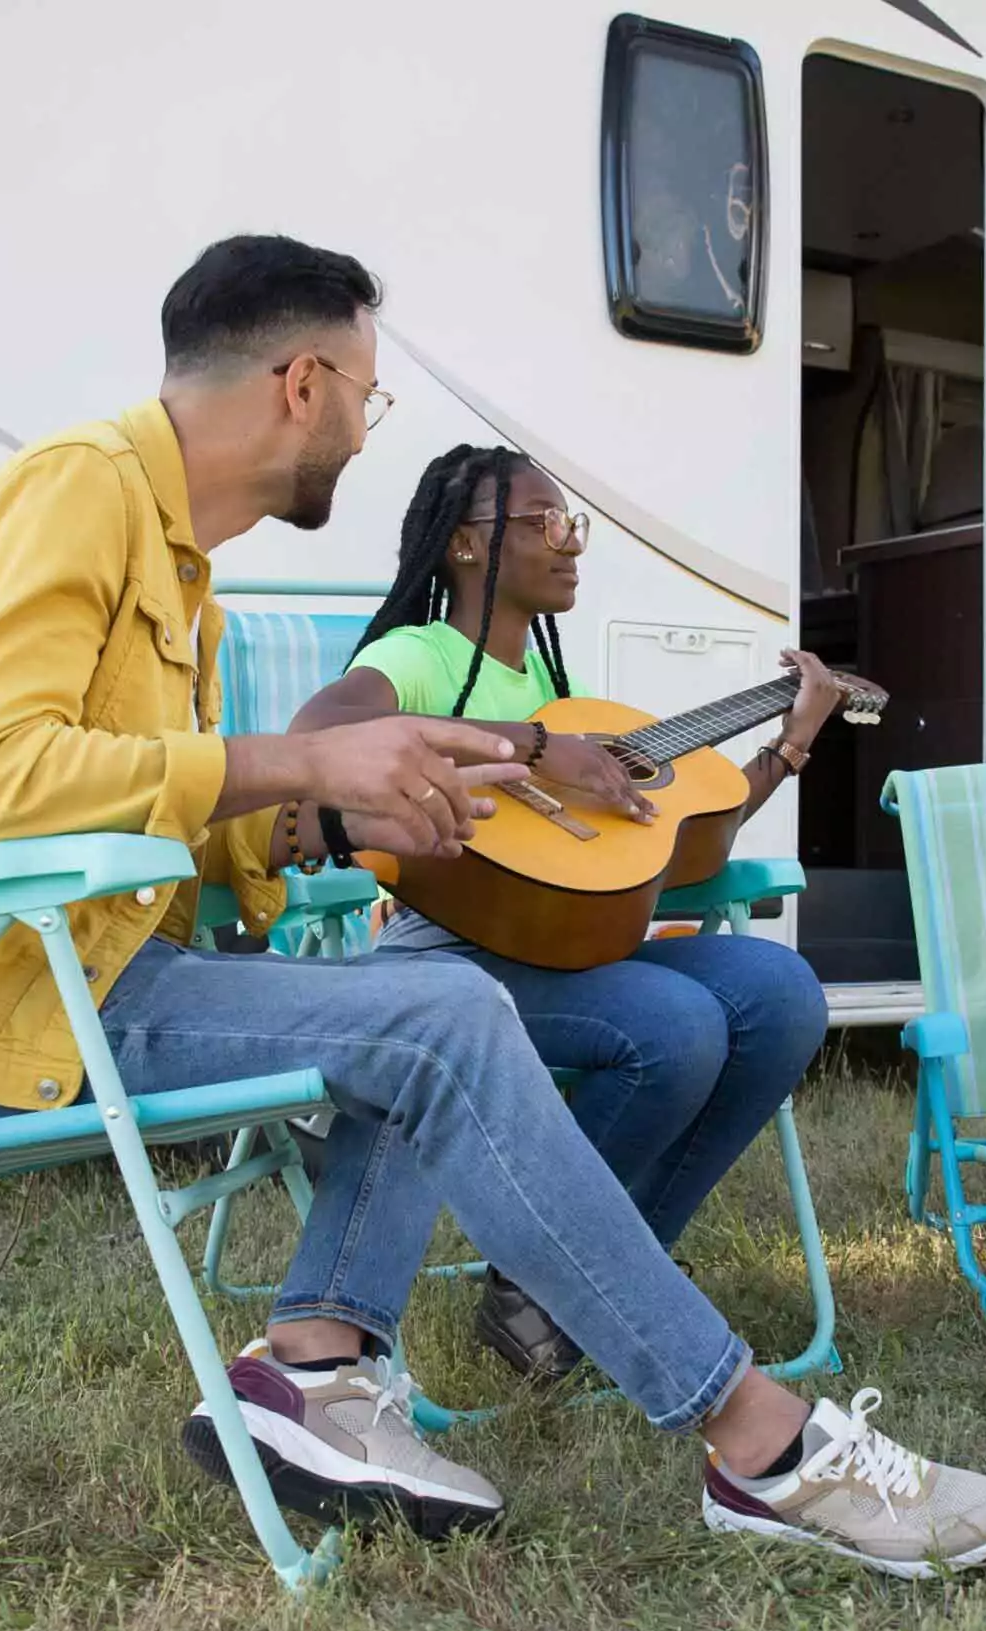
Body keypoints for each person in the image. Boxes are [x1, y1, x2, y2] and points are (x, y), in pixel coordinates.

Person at [0, 233, 986, 1576]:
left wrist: (331, 817)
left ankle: (318, 1369)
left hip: (87, 974)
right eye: (367, 398)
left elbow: (138, 813)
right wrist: (301, 760)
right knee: (440, 1007)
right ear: (302, 381)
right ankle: (759, 1440)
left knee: (426, 998)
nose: (364, 430)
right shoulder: (77, 492)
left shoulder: (178, 573)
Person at [282, 443, 839, 1380]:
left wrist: (790, 745)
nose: (571, 543)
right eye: (546, 523)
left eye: (571, 524)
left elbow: (679, 834)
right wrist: (538, 746)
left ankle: (572, 1284)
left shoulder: (557, 692)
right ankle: (564, 1275)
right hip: (445, 954)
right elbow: (316, 735)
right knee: (676, 1026)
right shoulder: (419, 657)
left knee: (780, 993)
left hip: (560, 952)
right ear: (466, 543)